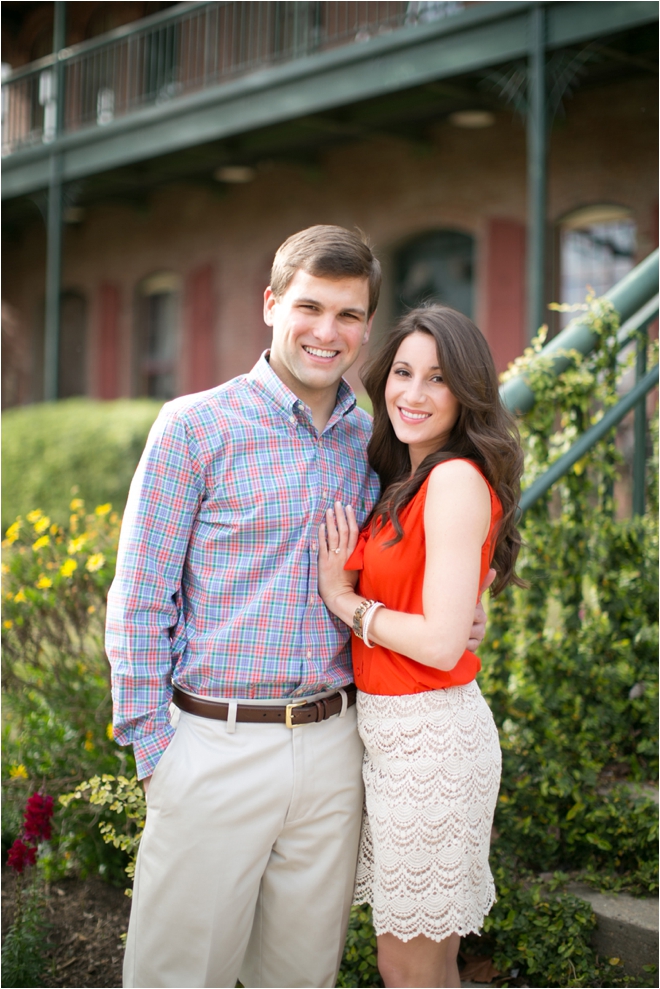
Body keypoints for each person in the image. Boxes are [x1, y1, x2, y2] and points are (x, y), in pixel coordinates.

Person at [106, 226, 490, 989]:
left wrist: (469, 608)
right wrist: (157, 755)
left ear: (366, 329)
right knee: (180, 974)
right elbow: (140, 599)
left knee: (300, 976)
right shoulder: (195, 427)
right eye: (310, 306)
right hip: (213, 744)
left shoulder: (378, 442)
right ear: (271, 304)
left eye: (349, 315)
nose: (328, 331)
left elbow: (425, 549)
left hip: (336, 745)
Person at [318, 305, 523, 989]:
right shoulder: (403, 480)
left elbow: (438, 641)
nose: (413, 392)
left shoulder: (453, 478)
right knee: (420, 964)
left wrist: (346, 603)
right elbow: (446, 607)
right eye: (403, 372)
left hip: (430, 738)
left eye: (437, 379)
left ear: (466, 395)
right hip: (395, 737)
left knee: (409, 967)